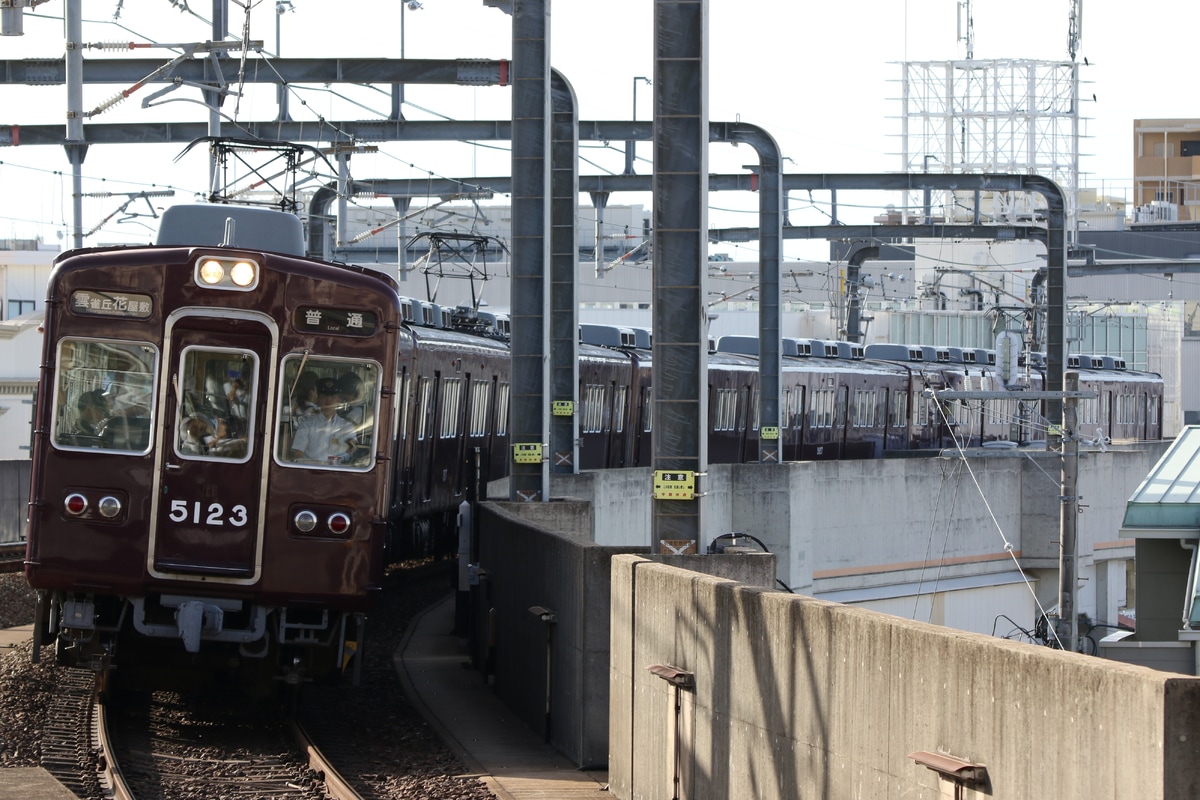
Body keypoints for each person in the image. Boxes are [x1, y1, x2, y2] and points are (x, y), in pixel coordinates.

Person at [290, 377, 358, 464]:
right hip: (310, 472)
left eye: (333, 396)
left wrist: (351, 446)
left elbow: (352, 448)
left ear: (339, 400)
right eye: (324, 396)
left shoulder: (347, 427)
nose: (328, 400)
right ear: (318, 399)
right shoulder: (307, 425)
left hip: (337, 473)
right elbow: (298, 454)